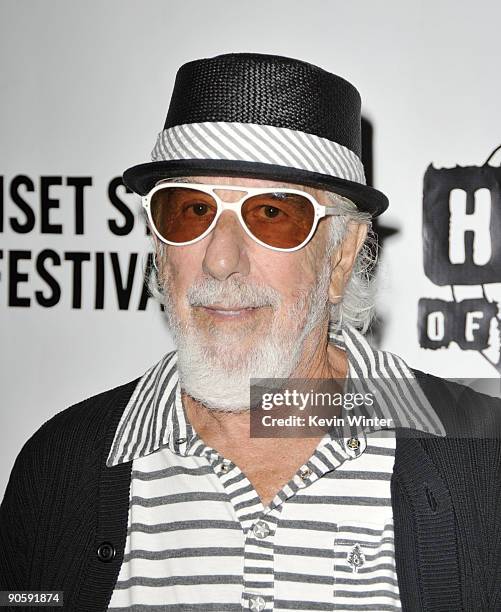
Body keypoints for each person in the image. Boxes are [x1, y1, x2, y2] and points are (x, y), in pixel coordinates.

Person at [1, 52, 500, 611]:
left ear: (340, 259)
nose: (219, 260)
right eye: (191, 210)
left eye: (271, 214)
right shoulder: (62, 467)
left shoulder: (481, 462)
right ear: (160, 249)